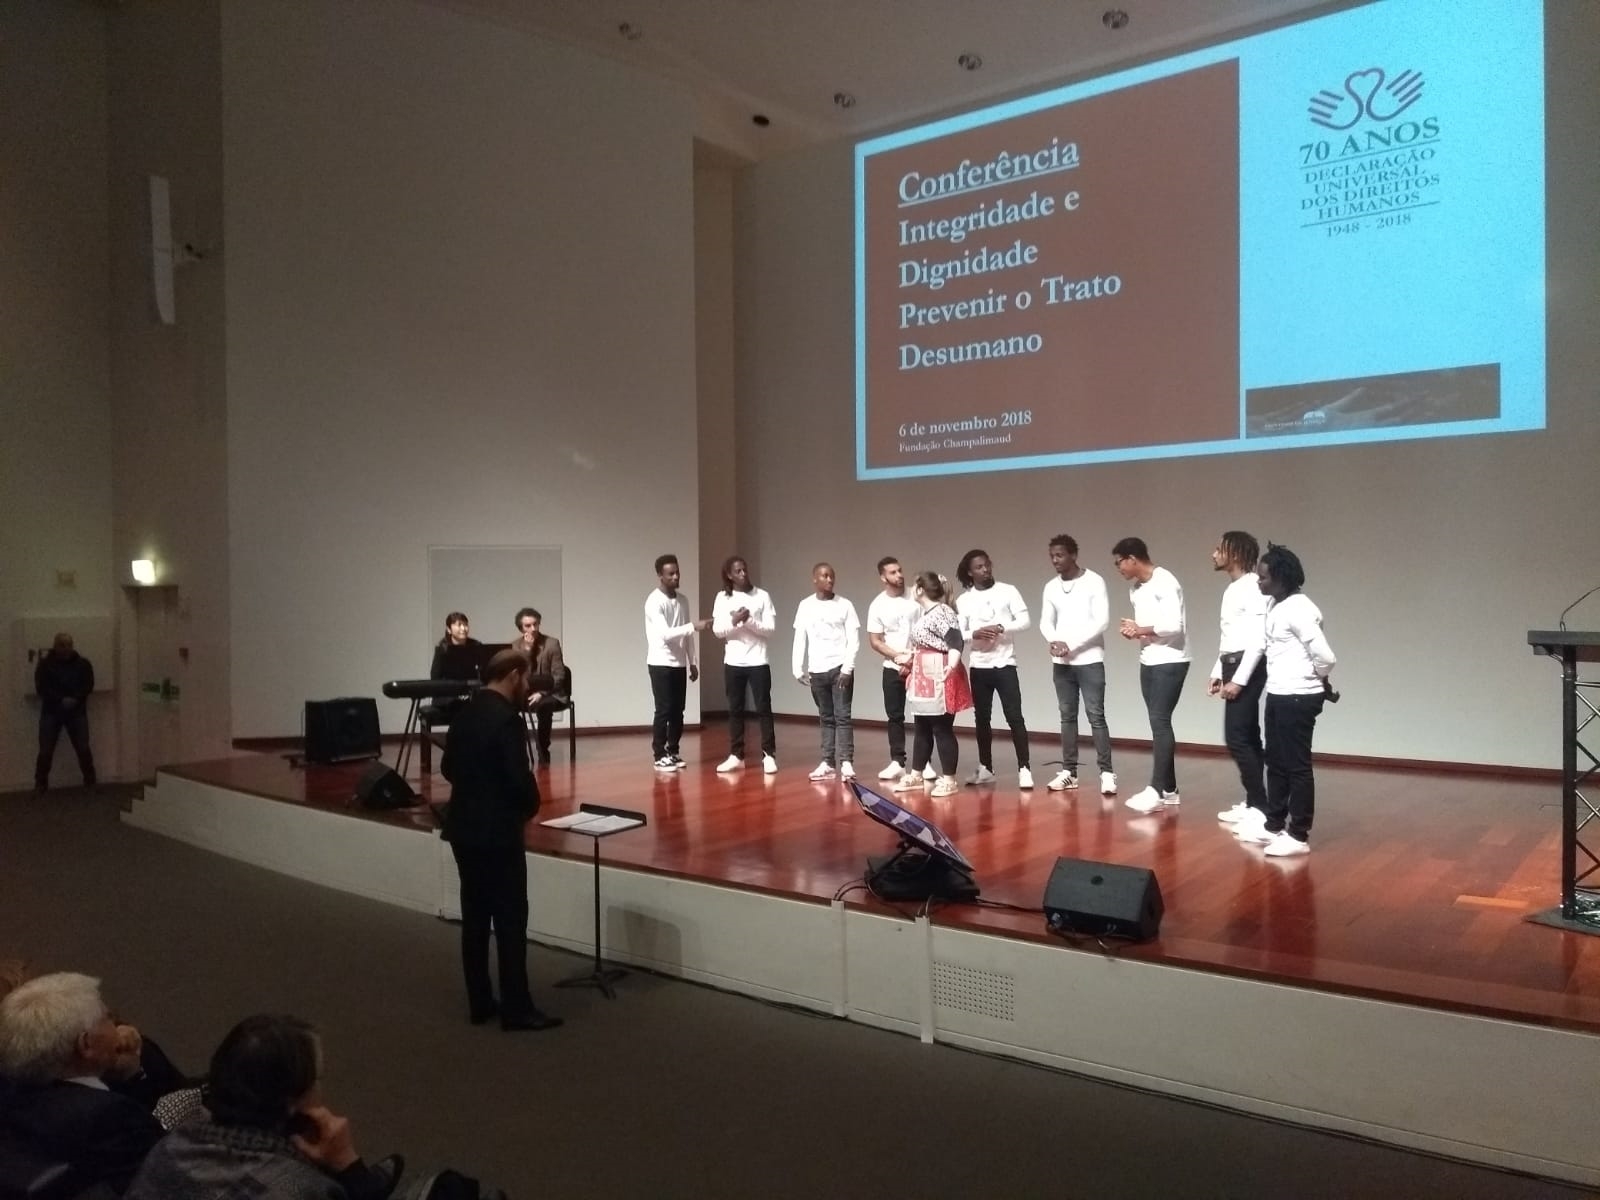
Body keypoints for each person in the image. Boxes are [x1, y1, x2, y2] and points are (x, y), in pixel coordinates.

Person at [126, 1014, 403, 1200]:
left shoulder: (168, 1149)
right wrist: (349, 1167)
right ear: (292, 1103)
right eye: (317, 1080)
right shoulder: (302, 1188)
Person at [440, 648, 561, 1032]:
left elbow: (447, 768)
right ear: (512, 675)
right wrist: (529, 806)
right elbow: (517, 778)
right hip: (498, 832)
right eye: (525, 678)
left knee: (475, 918)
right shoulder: (507, 720)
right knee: (510, 920)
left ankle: (479, 1002)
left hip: (463, 828)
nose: (526, 685)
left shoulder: (464, 714)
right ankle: (516, 1008)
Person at [0, 972, 168, 1194]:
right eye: (108, 1018)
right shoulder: (114, 1117)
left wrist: (131, 1076)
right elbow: (162, 1184)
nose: (118, 1027)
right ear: (86, 1044)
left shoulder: (11, 1102)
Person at [1233, 544, 1338, 857]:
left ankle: (1298, 834)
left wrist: (1316, 678)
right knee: (1276, 762)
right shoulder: (1276, 605)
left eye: (1263, 577)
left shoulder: (1299, 609)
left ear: (1281, 578)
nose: (1259, 581)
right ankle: (1274, 824)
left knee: (1297, 766)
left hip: (1298, 697)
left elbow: (1326, 657)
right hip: (1279, 693)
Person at [1113, 538, 1191, 814]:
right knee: (1157, 721)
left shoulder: (1165, 581)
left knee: (1160, 721)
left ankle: (1156, 790)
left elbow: (1174, 626)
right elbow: (1146, 629)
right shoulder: (1136, 589)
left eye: (1120, 562)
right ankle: (1170, 790)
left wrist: (1141, 629)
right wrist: (1135, 631)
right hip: (1148, 659)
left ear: (1133, 558)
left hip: (1171, 660)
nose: (1118, 568)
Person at [1038, 534, 1116, 796]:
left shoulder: (1094, 581)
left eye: (1060, 555)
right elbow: (1045, 621)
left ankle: (1107, 772)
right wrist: (1054, 641)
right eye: (1052, 556)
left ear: (1073, 555)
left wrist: (1070, 644)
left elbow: (1101, 621)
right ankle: (1069, 772)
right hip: (1062, 663)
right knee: (1067, 716)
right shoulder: (1051, 587)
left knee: (1096, 716)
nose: (1055, 560)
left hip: (1090, 659)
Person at [1207, 532, 1270, 827]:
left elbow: (1258, 639)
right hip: (1232, 664)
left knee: (1237, 737)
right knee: (1247, 735)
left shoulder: (1253, 587)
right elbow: (1229, 637)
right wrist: (1217, 671)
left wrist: (1240, 680)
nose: (1214, 554)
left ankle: (1260, 806)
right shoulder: (1233, 588)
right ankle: (1256, 802)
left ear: (1234, 553)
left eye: (1219, 549)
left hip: (1247, 667)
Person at [954, 550, 1033, 788]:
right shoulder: (964, 600)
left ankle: (1024, 768)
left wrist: (1000, 627)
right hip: (980, 665)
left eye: (987, 565)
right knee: (982, 718)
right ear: (970, 573)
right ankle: (986, 768)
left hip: (1005, 663)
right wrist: (975, 633)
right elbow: (958, 634)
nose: (985, 569)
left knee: (1014, 717)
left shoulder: (1008, 591)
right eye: (979, 567)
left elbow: (1025, 621)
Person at [893, 572, 966, 799]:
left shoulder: (943, 612)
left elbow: (955, 641)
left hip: (938, 671)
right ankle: (916, 774)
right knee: (922, 725)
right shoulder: (926, 614)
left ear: (920, 589)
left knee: (941, 727)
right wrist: (909, 657)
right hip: (924, 673)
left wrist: (951, 665)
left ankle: (949, 779)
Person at [791, 562, 860, 781]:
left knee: (843, 716)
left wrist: (847, 668)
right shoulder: (805, 605)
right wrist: (797, 668)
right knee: (826, 717)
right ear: (815, 579)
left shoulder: (845, 605)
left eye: (831, 576)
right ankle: (828, 762)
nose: (829, 580)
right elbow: (800, 637)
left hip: (839, 668)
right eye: (824, 576)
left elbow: (853, 640)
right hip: (817, 670)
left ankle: (846, 762)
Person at [711, 556, 778, 774]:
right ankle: (736, 755)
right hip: (733, 661)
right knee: (735, 709)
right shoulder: (722, 598)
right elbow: (718, 631)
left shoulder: (762, 596)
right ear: (729, 575)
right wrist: (734, 621)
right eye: (738, 571)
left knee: (763, 708)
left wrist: (748, 620)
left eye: (744, 569)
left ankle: (769, 755)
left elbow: (770, 629)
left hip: (758, 661)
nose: (743, 574)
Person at [644, 554, 711, 771]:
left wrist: (693, 662)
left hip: (679, 664)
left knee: (678, 711)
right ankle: (659, 755)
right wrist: (694, 626)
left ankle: (673, 751)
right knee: (663, 709)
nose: (675, 577)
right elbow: (666, 634)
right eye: (670, 574)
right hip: (660, 663)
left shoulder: (683, 600)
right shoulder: (654, 601)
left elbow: (687, 635)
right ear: (660, 576)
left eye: (677, 572)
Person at [865, 556, 920, 781]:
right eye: (893, 572)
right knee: (895, 715)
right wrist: (898, 657)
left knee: (923, 715)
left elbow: (929, 627)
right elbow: (875, 640)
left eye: (900, 570)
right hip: (892, 666)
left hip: (919, 664)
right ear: (883, 577)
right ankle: (897, 761)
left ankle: (923, 763)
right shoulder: (878, 604)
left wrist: (913, 658)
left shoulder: (916, 595)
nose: (899, 575)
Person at [34, 632, 96, 793]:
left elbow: (88, 685)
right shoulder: (45, 665)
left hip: (76, 711)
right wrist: (61, 700)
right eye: (62, 645)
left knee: (83, 748)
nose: (66, 648)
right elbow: (41, 687)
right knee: (45, 750)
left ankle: (90, 782)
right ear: (55, 646)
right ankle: (40, 785)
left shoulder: (83, 664)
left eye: (69, 645)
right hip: (51, 711)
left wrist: (75, 699)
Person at [510, 607, 569, 766]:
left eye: (535, 624)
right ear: (521, 628)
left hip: (550, 692)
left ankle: (543, 750)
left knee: (545, 706)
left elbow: (559, 675)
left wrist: (542, 693)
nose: (533, 628)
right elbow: (520, 675)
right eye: (528, 626)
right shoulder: (515, 646)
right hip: (525, 692)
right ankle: (518, 751)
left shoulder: (551, 644)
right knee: (507, 707)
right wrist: (527, 651)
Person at [427, 612, 481, 681]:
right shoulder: (442, 648)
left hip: (471, 685)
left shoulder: (476, 645)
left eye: (465, 625)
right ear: (449, 629)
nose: (463, 628)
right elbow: (435, 676)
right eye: (459, 625)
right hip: (449, 686)